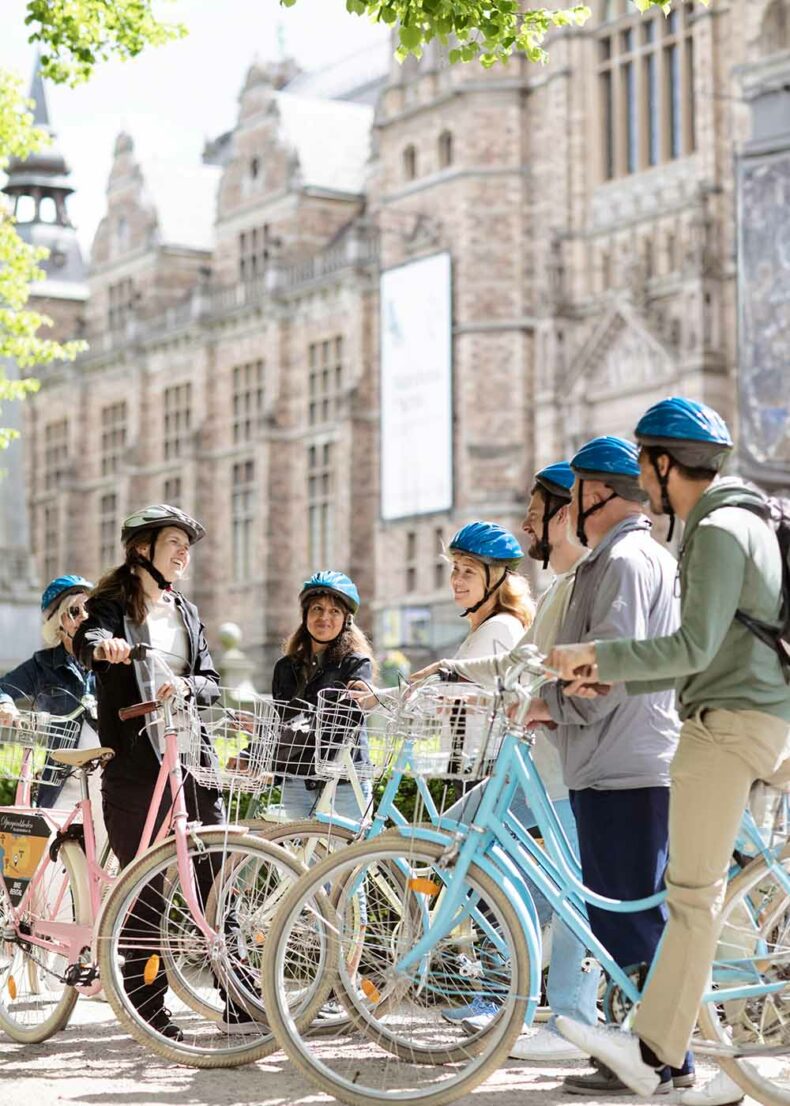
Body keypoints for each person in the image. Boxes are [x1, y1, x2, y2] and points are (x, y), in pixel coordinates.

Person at [549, 399, 790, 1106]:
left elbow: (692, 649)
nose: (641, 486)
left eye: (644, 465)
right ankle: (665, 1053)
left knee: (689, 900)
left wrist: (598, 655)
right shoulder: (755, 520)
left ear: (662, 464)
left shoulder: (716, 530)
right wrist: (602, 670)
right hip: (768, 717)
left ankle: (658, 1054)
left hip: (722, 728)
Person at [520, 436, 696, 1095]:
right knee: (622, 914)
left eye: (575, 495)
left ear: (597, 494)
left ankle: (667, 1061)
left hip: (623, 759)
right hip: (621, 756)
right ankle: (648, 1052)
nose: (570, 508)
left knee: (629, 918)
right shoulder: (628, 557)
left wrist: (549, 707)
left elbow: (610, 664)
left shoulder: (623, 561)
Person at [421, 465, 598, 1060]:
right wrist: (445, 675)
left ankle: (570, 1016)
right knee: (527, 884)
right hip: (547, 763)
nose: (525, 524)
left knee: (564, 891)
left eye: (534, 512)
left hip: (564, 764)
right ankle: (522, 991)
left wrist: (455, 681)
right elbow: (524, 666)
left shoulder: (582, 584)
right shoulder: (561, 588)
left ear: (567, 514)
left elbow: (534, 669)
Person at [73, 504, 244, 1040]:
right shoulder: (108, 604)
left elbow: (211, 679)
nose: (183, 552)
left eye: (187, 544)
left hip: (192, 753)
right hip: (134, 760)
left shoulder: (187, 612)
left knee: (218, 874)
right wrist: (107, 646)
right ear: (142, 548)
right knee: (145, 885)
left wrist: (188, 686)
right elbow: (86, 641)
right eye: (174, 541)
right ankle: (149, 1009)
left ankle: (241, 997)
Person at [267, 571, 377, 821]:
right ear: (305, 615)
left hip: (344, 781)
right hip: (297, 780)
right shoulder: (285, 667)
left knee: (352, 857)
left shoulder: (356, 664)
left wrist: (296, 729)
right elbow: (279, 722)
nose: (324, 617)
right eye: (317, 608)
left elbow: (345, 720)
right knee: (296, 858)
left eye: (334, 611)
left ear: (346, 620)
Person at [0, 575, 95, 808]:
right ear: (58, 622)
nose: (84, 617)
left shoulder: (109, 660)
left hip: (109, 779)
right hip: (62, 782)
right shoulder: (43, 665)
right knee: (51, 842)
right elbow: (3, 688)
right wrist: (6, 704)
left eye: (89, 609)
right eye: (74, 611)